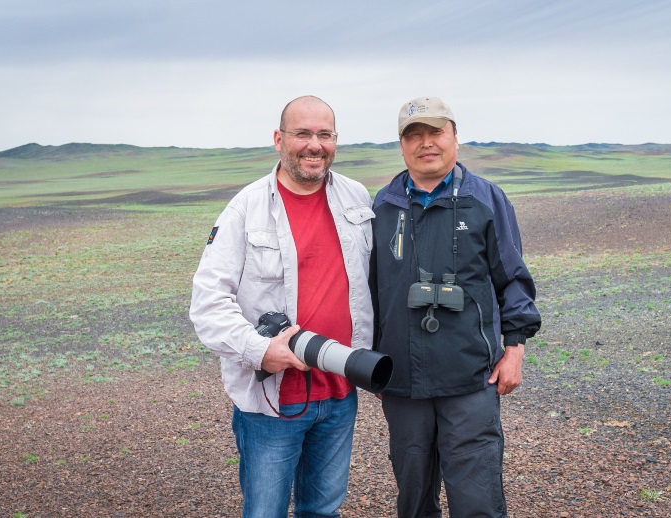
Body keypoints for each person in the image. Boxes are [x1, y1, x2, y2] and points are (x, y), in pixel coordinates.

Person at [189, 95, 375, 518]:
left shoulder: (356, 198)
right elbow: (208, 303)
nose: (315, 145)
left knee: (323, 510)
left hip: (340, 390)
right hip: (272, 402)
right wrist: (260, 350)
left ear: (336, 140)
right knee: (265, 512)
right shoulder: (246, 209)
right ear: (279, 139)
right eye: (302, 134)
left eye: (325, 134)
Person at [369, 97, 541, 517]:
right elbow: (368, 291)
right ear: (402, 146)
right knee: (413, 497)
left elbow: (512, 278)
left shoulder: (486, 199)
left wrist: (515, 349)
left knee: (476, 498)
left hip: (471, 377)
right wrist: (370, 360)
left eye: (436, 132)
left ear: (455, 137)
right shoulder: (383, 206)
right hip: (403, 379)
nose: (426, 143)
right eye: (414, 135)